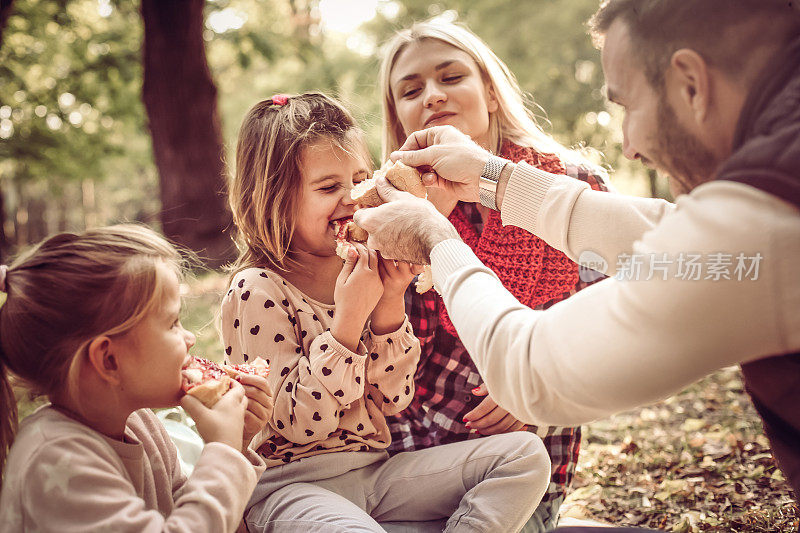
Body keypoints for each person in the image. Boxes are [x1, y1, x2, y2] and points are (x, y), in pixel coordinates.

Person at [354, 0, 800, 520]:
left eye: (629, 106)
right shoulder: (773, 195)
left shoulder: (766, 212)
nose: (629, 146)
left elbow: (532, 371)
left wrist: (437, 239)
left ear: (691, 84)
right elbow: (675, 245)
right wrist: (492, 178)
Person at [222, 92, 552, 532]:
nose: (351, 198)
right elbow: (299, 424)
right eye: (327, 187)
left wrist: (391, 302)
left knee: (525, 456)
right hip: (290, 487)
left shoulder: (363, 264)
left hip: (376, 474)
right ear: (274, 198)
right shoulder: (256, 291)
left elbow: (396, 398)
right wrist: (348, 321)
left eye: (359, 178)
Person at [377, 19, 610, 532]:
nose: (432, 96)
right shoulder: (394, 205)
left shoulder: (569, 184)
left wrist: (530, 388)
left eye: (450, 77)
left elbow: (607, 325)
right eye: (411, 90)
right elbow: (391, 353)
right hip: (414, 450)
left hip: (531, 452)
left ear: (490, 91)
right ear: (398, 117)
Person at [0, 224, 271, 532]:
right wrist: (222, 449)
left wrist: (237, 443)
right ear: (109, 360)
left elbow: (198, 515)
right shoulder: (54, 460)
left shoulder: (142, 425)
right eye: (172, 323)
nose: (190, 337)